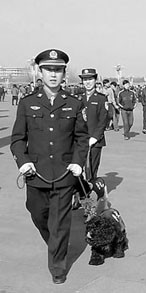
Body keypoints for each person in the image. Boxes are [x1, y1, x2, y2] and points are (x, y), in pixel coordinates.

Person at [10, 49, 88, 284]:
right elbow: (16, 139)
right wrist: (23, 163)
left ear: (64, 73)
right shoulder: (27, 103)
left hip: (64, 174)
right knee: (38, 214)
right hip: (37, 174)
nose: (53, 75)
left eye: (58, 70)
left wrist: (77, 162)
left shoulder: (73, 104)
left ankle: (58, 267)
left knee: (61, 223)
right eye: (48, 70)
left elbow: (81, 138)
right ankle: (55, 243)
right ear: (40, 72)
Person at [79, 68, 107, 178]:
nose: (87, 82)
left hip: (95, 141)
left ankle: (92, 192)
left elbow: (103, 120)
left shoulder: (101, 99)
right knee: (77, 170)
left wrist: (95, 137)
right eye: (85, 80)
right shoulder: (78, 98)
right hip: (80, 140)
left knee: (91, 170)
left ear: (95, 80)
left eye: (90, 79)